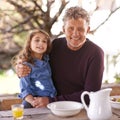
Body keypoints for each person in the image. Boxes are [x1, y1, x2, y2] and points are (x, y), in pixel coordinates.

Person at [15, 6, 104, 108]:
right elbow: (34, 61)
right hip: (48, 105)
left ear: (87, 30)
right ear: (63, 29)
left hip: (78, 107)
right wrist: (20, 67)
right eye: (70, 28)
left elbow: (90, 95)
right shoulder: (56, 45)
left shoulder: (95, 53)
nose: (75, 34)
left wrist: (51, 101)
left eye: (80, 29)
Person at [11, 29, 56, 108]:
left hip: (50, 99)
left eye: (44, 41)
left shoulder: (47, 60)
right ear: (29, 43)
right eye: (37, 40)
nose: (41, 43)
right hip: (33, 102)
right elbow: (25, 90)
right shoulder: (26, 66)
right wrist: (33, 102)